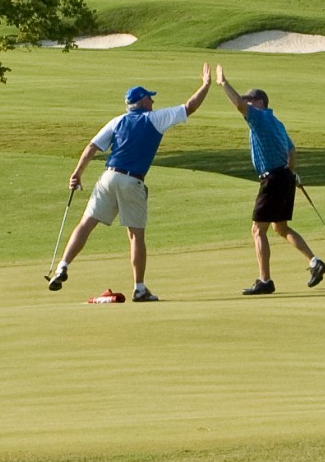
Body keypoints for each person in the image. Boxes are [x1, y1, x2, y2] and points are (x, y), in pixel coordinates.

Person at [48, 65, 212, 302]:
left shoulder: (117, 121)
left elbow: (92, 147)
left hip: (108, 177)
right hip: (131, 180)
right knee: (135, 235)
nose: (153, 103)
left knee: (86, 223)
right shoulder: (154, 119)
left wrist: (77, 174)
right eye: (150, 99)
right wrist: (205, 85)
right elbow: (189, 107)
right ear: (143, 101)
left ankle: (62, 266)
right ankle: (139, 288)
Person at [215, 65, 325, 295]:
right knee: (280, 227)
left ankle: (265, 280)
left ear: (260, 102)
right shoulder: (276, 121)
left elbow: (237, 104)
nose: (247, 103)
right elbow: (292, 150)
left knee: (258, 230)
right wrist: (291, 174)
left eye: (250, 100)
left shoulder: (259, 118)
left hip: (273, 179)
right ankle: (315, 262)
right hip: (284, 176)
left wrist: (223, 83)